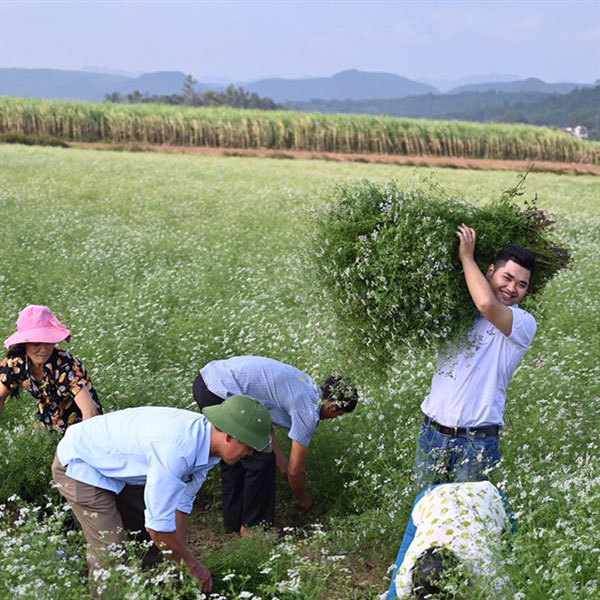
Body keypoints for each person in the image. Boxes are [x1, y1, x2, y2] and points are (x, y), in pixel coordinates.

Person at [52, 394, 272, 594]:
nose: (250, 454)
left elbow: (181, 505)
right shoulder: (178, 449)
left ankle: (163, 589)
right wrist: (193, 566)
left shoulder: (209, 448)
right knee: (112, 551)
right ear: (230, 437)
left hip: (120, 467)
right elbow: (157, 528)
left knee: (154, 540)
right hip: (82, 464)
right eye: (249, 446)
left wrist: (181, 561)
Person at [414, 226, 537, 488]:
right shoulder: (458, 312)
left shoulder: (522, 323)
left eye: (522, 284)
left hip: (476, 442)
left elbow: (487, 304)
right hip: (432, 433)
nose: (512, 288)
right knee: (424, 512)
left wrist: (466, 257)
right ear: (490, 271)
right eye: (507, 277)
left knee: (468, 522)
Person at [193, 355, 358, 536]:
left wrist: (284, 466)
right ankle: (254, 530)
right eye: (338, 414)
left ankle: (233, 527)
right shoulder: (308, 410)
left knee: (234, 458)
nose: (334, 418)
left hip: (209, 380)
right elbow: (297, 471)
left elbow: (262, 427)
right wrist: (303, 498)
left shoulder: (308, 386)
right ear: (333, 406)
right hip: (219, 389)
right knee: (260, 460)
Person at [385, 481, 514, 599]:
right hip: (430, 500)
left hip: (485, 496)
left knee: (516, 560)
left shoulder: (490, 578)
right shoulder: (404, 582)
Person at [0, 305, 102, 432]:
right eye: (36, 343)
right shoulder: (15, 363)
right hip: (48, 420)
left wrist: (80, 444)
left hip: (81, 425)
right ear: (24, 343)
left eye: (48, 342)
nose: (44, 350)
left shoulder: (65, 364)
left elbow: (90, 411)